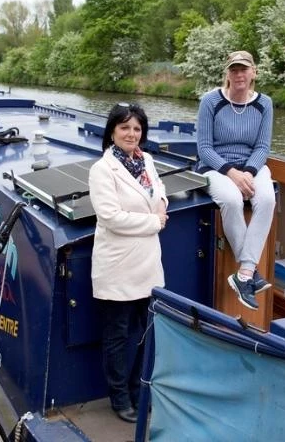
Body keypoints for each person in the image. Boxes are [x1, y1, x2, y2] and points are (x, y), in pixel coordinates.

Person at [88, 102, 168, 423]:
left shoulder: (146, 160)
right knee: (118, 335)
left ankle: (138, 389)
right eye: (125, 128)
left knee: (145, 332)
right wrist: (155, 222)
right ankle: (119, 397)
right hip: (118, 265)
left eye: (137, 128)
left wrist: (160, 204)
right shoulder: (101, 170)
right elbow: (110, 217)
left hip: (147, 263)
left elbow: (158, 190)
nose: (132, 134)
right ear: (112, 132)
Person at [196, 50, 276, 311]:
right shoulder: (210, 101)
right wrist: (232, 173)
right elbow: (205, 148)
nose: (239, 74)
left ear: (254, 72)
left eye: (244, 69)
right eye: (234, 69)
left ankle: (244, 273)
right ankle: (250, 274)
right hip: (216, 167)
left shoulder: (265, 104)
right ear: (227, 74)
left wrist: (249, 173)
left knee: (266, 198)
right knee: (231, 199)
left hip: (253, 166)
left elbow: (263, 147)